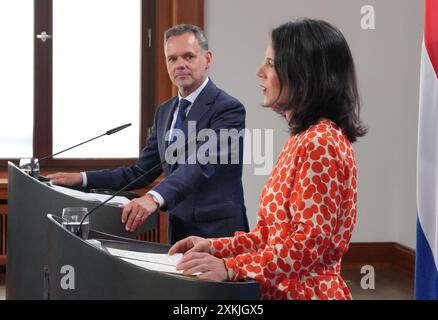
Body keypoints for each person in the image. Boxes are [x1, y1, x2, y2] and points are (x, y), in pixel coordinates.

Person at [168, 19, 367, 300]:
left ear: (303, 74)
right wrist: (214, 247)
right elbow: (269, 236)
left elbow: (306, 247)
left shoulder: (320, 143)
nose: (259, 72)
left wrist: (229, 267)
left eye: (271, 63)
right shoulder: (302, 138)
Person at [48, 24, 249, 244]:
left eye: (188, 56)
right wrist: (82, 178)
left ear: (207, 59)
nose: (180, 64)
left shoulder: (228, 108)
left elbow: (201, 164)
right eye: (172, 59)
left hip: (218, 231)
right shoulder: (164, 112)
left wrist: (153, 197)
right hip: (179, 231)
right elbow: (140, 172)